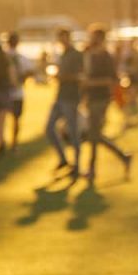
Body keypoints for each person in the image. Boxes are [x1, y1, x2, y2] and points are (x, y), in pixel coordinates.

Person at [81, 26, 132, 184]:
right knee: (94, 134)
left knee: (94, 134)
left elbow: (111, 80)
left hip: (101, 98)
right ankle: (122, 156)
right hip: (90, 98)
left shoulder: (106, 57)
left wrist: (91, 83)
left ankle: (92, 169)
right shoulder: (89, 55)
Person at [45, 28, 83, 177]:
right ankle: (63, 159)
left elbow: (80, 76)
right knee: (49, 129)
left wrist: (63, 77)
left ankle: (77, 166)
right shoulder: (63, 55)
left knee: (73, 133)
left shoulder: (76, 55)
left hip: (71, 97)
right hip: (60, 97)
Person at [4, 32, 33, 152]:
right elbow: (31, 71)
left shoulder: (4, 57)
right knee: (15, 119)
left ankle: (4, 142)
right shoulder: (21, 58)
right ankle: (14, 143)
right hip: (16, 93)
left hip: (5, 92)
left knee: (2, 119)